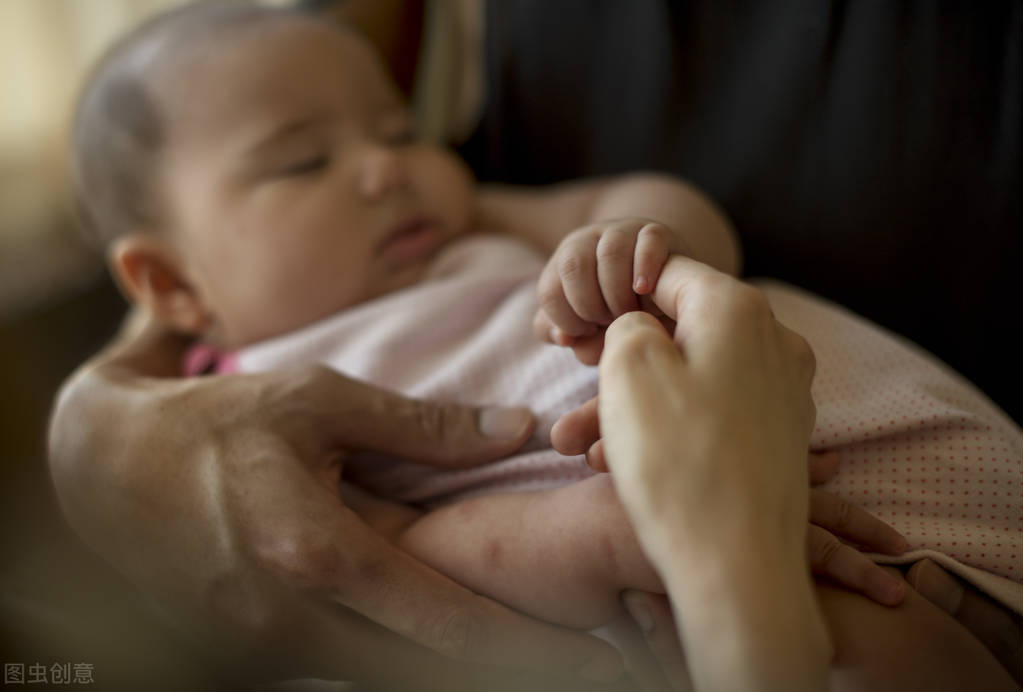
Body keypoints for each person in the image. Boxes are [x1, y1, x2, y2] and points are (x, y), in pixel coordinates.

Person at [50, 2, 1022, 690]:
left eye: (396, 127)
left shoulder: (469, 220)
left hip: (886, 456)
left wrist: (636, 243)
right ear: (174, 285)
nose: (389, 165)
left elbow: (658, 206)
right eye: (306, 160)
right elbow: (396, 560)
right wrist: (614, 533)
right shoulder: (240, 407)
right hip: (710, 569)